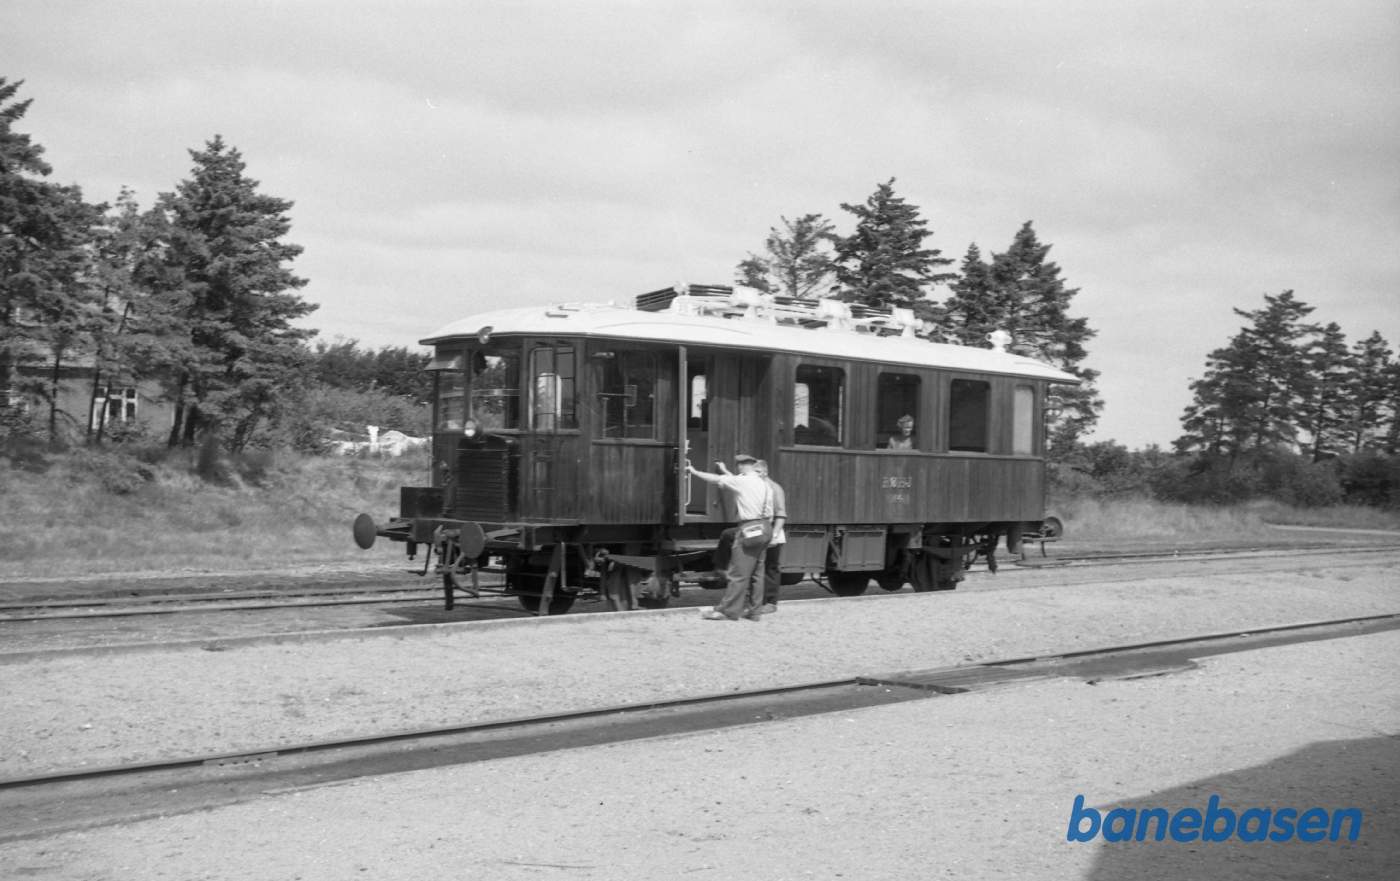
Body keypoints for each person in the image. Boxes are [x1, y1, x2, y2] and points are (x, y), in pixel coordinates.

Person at [687, 454, 773, 621]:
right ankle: (755, 611)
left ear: (742, 466)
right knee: (757, 573)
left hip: (749, 528)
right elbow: (770, 512)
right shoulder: (765, 484)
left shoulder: (743, 481)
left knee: (737, 573)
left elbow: (715, 479)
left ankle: (728, 611)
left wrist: (694, 471)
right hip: (765, 528)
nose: (738, 468)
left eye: (739, 465)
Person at [754, 459, 787, 614]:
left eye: (758, 472)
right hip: (759, 531)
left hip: (773, 533)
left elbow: (781, 513)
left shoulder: (775, 488)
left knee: (771, 567)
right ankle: (758, 601)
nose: (755, 475)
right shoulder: (757, 487)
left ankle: (771, 602)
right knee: (759, 567)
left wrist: (774, 534)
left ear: (765, 472)